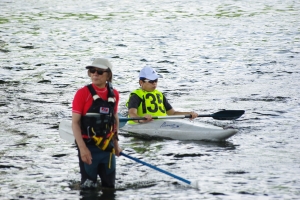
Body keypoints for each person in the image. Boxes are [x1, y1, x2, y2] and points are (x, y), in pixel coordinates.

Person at [72, 58, 122, 189]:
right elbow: (75, 123)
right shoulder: (82, 93)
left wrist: (116, 144)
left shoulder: (114, 94)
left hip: (107, 148)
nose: (95, 74)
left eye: (100, 72)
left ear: (108, 75)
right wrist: (82, 149)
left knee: (110, 188)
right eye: (92, 71)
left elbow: (114, 119)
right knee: (88, 189)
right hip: (89, 148)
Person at [127, 66, 198, 124]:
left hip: (162, 124)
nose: (154, 83)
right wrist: (141, 119)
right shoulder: (136, 95)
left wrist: (188, 114)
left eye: (156, 80)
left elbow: (172, 113)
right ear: (141, 82)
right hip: (140, 125)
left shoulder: (160, 94)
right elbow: (132, 114)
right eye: (151, 81)